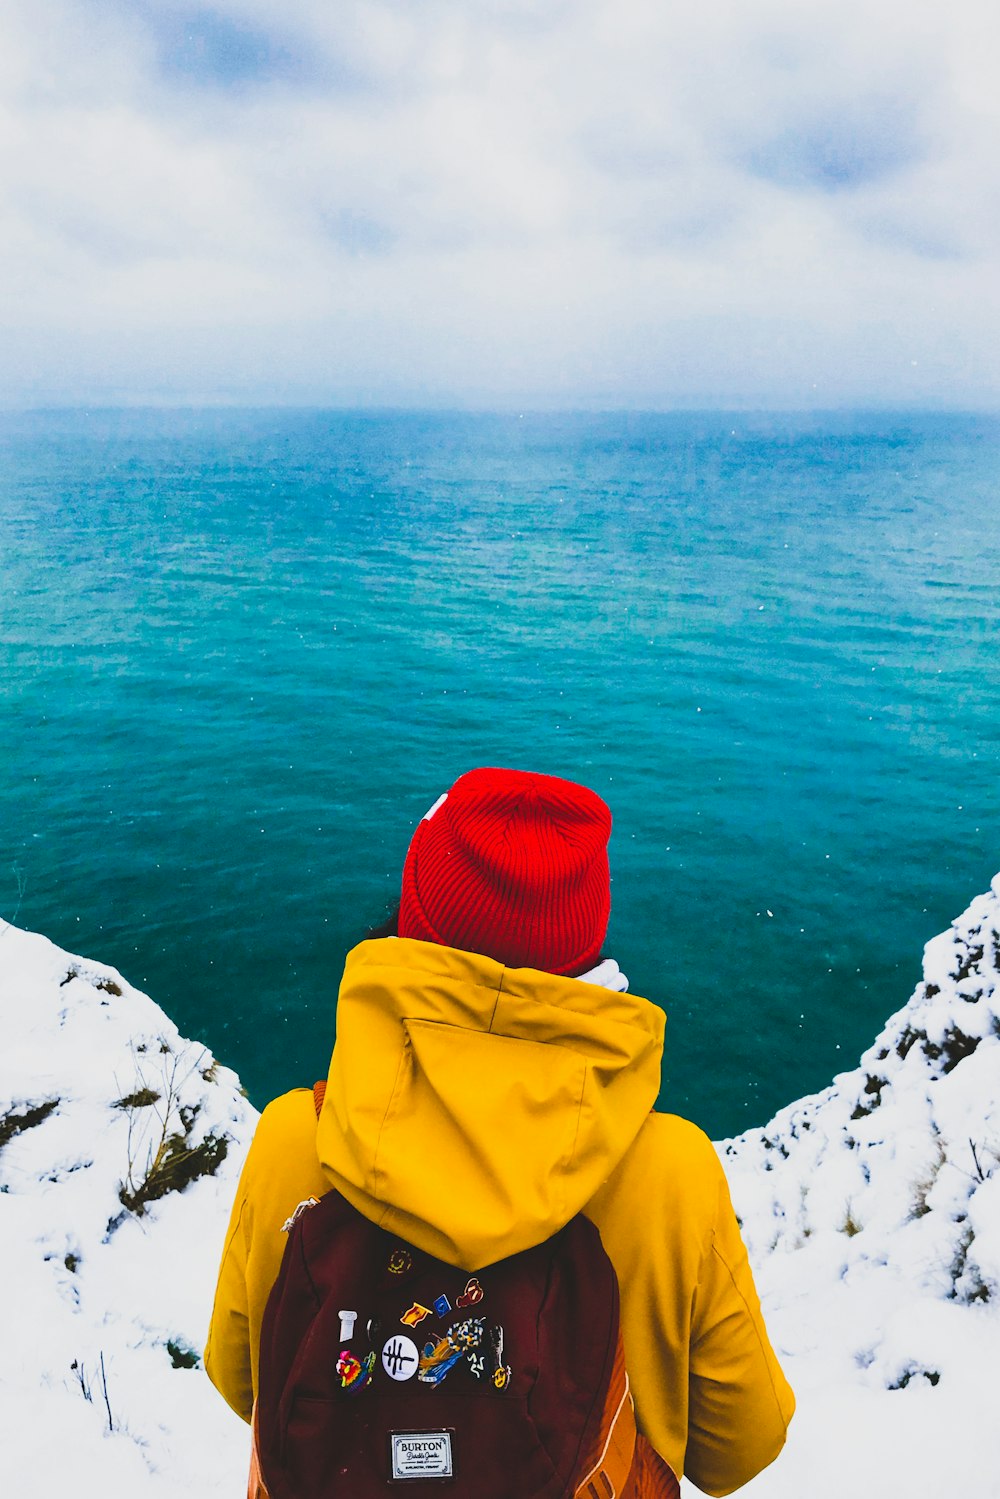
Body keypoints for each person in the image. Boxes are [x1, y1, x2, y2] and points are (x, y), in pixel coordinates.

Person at [205, 767, 794, 1495]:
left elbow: (242, 1380)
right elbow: (741, 1446)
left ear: (415, 915)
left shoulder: (300, 1136)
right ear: (586, 942)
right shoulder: (670, 1169)